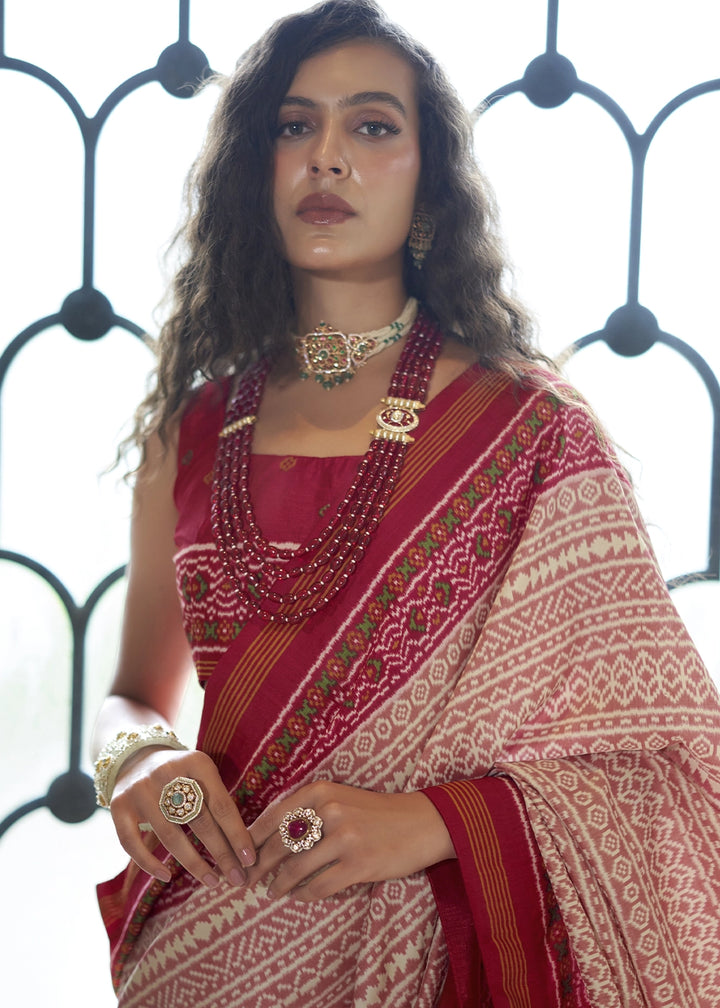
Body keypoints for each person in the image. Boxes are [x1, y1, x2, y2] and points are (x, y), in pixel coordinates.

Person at [91, 1, 720, 1005]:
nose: (328, 156)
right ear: (257, 169)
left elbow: (667, 754)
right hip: (212, 947)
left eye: (373, 125)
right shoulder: (193, 436)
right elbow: (134, 691)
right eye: (295, 125)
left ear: (430, 185)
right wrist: (138, 762)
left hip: (441, 950)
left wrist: (435, 823)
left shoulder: (531, 435)